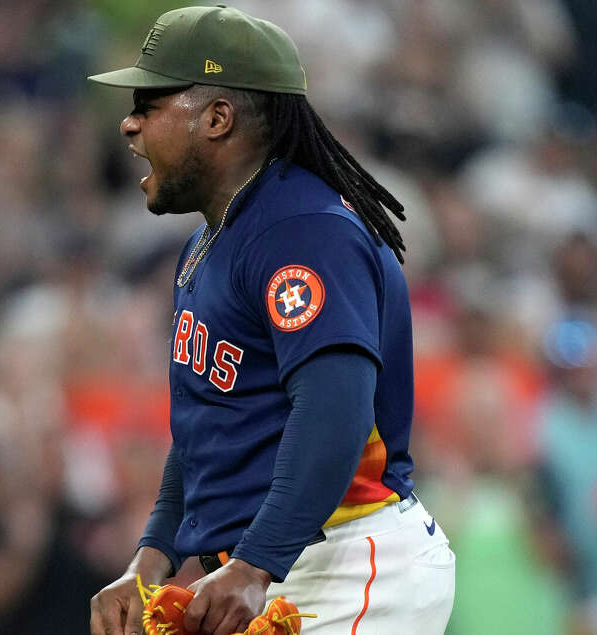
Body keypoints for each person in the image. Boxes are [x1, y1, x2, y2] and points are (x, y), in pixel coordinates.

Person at [87, 6, 455, 635]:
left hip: (347, 567)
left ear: (218, 118)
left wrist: (256, 564)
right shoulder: (218, 236)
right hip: (283, 564)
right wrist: (153, 557)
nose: (129, 123)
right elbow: (212, 426)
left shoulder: (302, 231)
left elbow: (335, 411)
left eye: (149, 103)